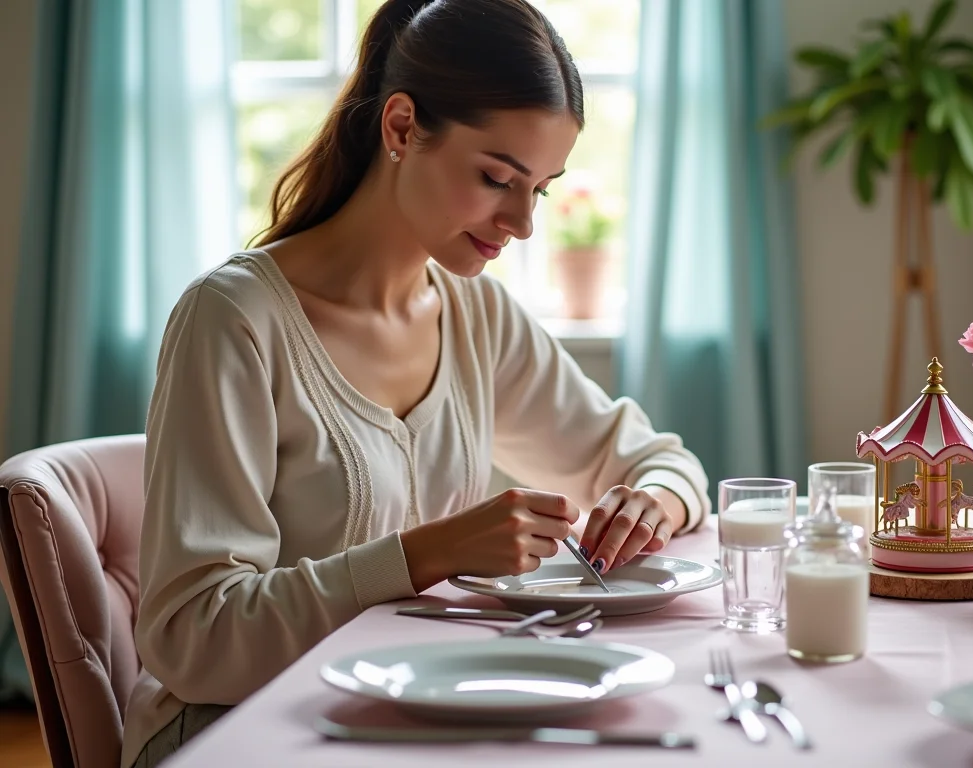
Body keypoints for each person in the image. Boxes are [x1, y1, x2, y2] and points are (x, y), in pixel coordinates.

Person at [121, 1, 709, 765]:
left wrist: (650, 502)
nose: (523, 223)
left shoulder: (477, 314)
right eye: (498, 177)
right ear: (400, 127)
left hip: (417, 717)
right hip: (240, 729)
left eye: (542, 187)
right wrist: (425, 553)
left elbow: (662, 461)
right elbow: (196, 640)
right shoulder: (233, 319)